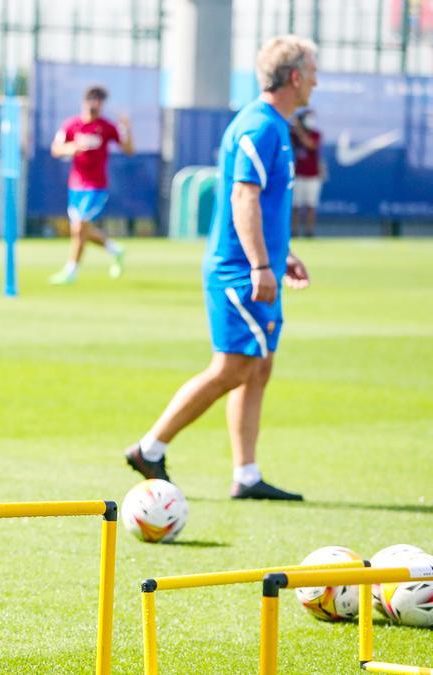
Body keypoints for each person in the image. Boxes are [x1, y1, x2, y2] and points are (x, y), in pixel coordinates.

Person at [124, 35, 316, 501]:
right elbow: (242, 196)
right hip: (238, 271)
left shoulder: (275, 125)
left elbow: (259, 202)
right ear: (294, 77)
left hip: (254, 262)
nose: (316, 80)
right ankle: (150, 448)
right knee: (234, 366)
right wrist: (260, 264)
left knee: (259, 366)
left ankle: (247, 475)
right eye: (312, 70)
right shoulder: (261, 126)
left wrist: (279, 253)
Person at [48, 85, 134, 285]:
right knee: (80, 230)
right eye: (92, 99)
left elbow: (129, 149)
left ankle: (71, 270)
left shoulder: (106, 126)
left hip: (96, 186)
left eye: (99, 100)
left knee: (79, 228)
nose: (95, 104)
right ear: (84, 102)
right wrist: (72, 148)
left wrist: (127, 129)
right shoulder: (71, 125)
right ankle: (115, 249)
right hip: (76, 185)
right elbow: (56, 149)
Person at [290, 109, 322, 238]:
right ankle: (293, 231)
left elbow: (310, 145)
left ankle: (309, 232)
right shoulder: (293, 135)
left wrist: (299, 130)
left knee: (310, 206)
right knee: (295, 207)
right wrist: (295, 129)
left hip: (312, 175)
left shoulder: (316, 134)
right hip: (297, 175)